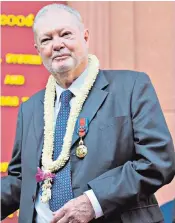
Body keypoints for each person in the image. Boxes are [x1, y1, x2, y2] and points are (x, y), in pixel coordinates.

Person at [1, 3, 175, 223]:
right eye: (46, 40)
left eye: (65, 34)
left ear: (85, 37)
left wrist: (95, 202)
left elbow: (158, 160)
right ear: (37, 49)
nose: (57, 44)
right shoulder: (30, 108)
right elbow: (20, 180)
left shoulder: (130, 87)